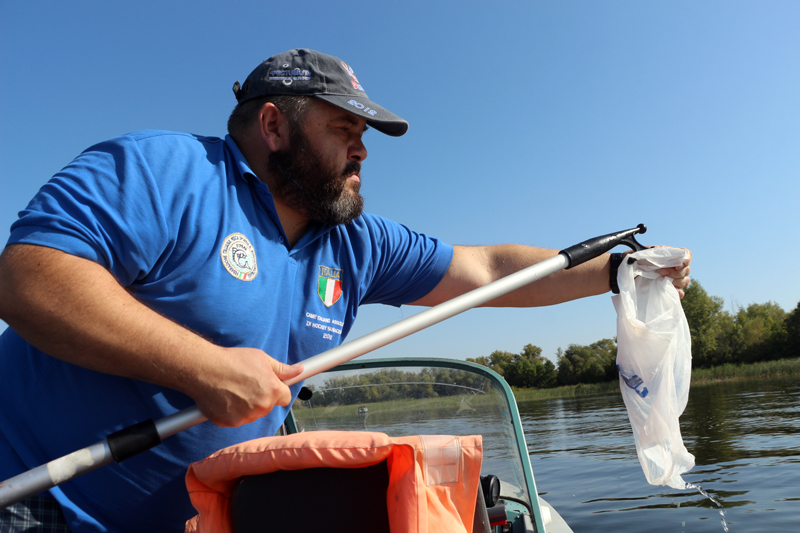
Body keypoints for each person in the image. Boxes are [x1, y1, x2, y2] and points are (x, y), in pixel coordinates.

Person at [0, 49, 691, 532]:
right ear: (273, 125)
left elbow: (482, 271)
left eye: (364, 134)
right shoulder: (166, 171)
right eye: (343, 129)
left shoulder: (356, 244)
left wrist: (615, 272)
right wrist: (201, 367)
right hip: (38, 496)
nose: (362, 151)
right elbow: (30, 276)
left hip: (198, 517)